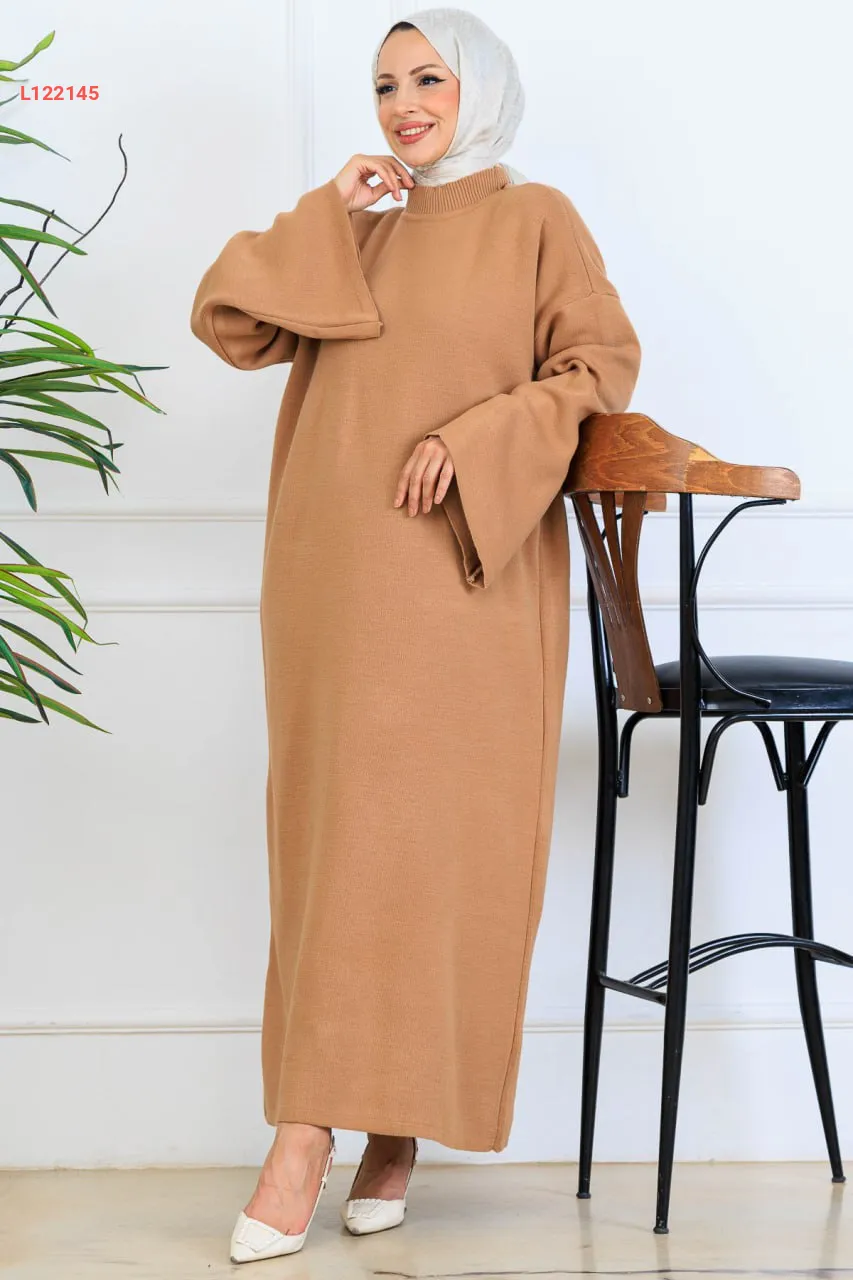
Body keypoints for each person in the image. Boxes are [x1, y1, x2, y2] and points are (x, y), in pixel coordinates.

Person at [190, 5, 642, 1264]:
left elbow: (598, 368)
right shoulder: (362, 229)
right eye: (386, 85)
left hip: (463, 584)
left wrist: (477, 435)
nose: (403, 105)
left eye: (427, 78)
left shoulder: (537, 218)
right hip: (331, 584)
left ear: (477, 88)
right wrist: (333, 209)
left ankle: (353, 1131)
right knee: (332, 849)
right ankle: (333, 1124)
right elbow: (230, 321)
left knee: (431, 854)